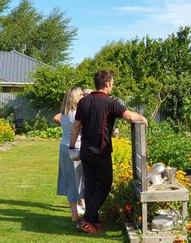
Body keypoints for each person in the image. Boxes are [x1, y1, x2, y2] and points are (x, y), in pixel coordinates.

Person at [69, 70, 147, 234]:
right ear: (107, 84)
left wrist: (71, 146)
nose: (113, 85)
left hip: (85, 151)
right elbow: (130, 117)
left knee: (90, 185)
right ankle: (88, 219)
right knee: (105, 185)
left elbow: (76, 126)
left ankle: (93, 221)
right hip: (100, 152)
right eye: (112, 82)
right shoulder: (111, 102)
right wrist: (143, 118)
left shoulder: (83, 102)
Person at [54, 87, 85, 222]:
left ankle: (74, 214)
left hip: (64, 147)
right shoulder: (79, 114)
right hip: (76, 148)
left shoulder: (64, 114)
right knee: (82, 179)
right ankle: (84, 209)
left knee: (70, 181)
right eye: (82, 95)